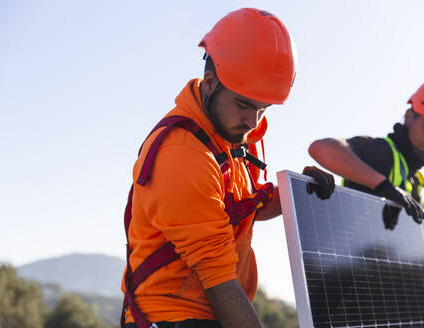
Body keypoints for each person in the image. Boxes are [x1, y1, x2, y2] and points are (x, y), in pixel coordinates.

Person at [120, 8, 335, 328]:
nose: (252, 121)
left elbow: (244, 210)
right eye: (244, 104)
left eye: (263, 109)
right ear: (210, 83)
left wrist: (294, 195)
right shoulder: (183, 155)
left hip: (207, 307)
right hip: (174, 316)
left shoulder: (230, 137)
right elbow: (218, 279)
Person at [309, 77, 424, 229]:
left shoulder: (417, 180)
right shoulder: (380, 151)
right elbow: (321, 149)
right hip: (348, 250)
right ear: (409, 117)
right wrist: (382, 185)